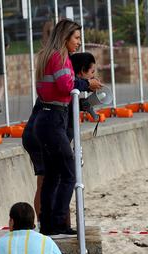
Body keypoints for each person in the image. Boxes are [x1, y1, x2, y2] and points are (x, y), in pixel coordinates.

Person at [32, 19, 100, 236]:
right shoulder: (59, 57)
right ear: (65, 37)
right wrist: (87, 84)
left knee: (52, 175)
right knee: (69, 173)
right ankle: (59, 223)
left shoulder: (47, 55)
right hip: (53, 119)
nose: (79, 43)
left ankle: (48, 224)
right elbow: (65, 86)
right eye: (76, 38)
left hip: (46, 118)